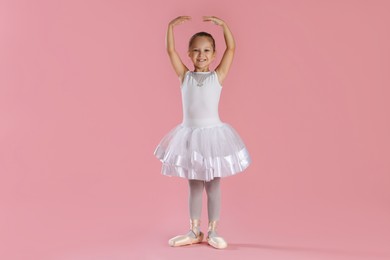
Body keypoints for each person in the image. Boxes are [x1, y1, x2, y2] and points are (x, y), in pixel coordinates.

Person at [154, 16, 252, 249]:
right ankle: (194, 230)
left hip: (213, 137)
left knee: (214, 184)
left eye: (207, 50)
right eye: (196, 51)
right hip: (190, 136)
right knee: (194, 184)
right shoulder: (184, 76)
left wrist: (225, 26)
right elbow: (170, 51)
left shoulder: (217, 77)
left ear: (214, 54)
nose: (201, 55)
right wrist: (169, 27)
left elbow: (232, 48)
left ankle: (213, 231)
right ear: (188, 54)